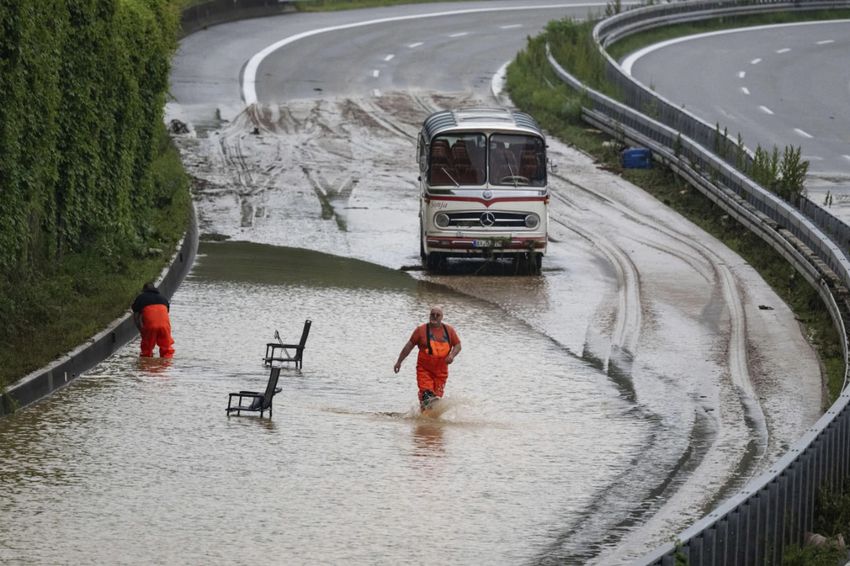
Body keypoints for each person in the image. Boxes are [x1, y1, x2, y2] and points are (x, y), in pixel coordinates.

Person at [394, 306, 461, 411]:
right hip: (424, 370)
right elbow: (408, 346)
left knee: (437, 400)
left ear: (442, 317)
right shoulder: (420, 331)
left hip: (441, 373)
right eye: (432, 314)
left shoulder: (449, 331)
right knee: (427, 395)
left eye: (437, 315)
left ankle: (425, 419)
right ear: (429, 315)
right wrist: (399, 362)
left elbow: (458, 345)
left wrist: (452, 355)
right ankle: (426, 425)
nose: (434, 317)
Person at [131, 282, 174, 358]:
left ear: (144, 290)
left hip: (151, 325)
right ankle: (167, 367)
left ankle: (146, 366)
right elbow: (166, 313)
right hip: (165, 326)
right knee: (167, 350)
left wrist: (142, 331)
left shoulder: (141, 298)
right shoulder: (163, 298)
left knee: (146, 351)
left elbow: (136, 317)